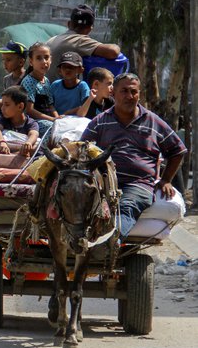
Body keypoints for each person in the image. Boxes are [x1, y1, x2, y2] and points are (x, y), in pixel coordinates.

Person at [80, 73, 186, 238]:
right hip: (104, 181)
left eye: (133, 92)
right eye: (124, 91)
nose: (129, 96)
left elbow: (178, 150)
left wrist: (166, 180)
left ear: (139, 94)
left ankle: (111, 241)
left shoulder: (153, 121)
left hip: (138, 184)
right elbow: (82, 149)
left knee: (126, 208)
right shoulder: (100, 121)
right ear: (113, 94)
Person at [46, 4, 121, 82]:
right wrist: (117, 46)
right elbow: (113, 52)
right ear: (90, 28)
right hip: (59, 92)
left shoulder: (53, 39)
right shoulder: (79, 40)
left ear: (69, 24)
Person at [0, 86, 39, 157]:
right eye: (2, 104)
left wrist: (28, 143)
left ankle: (10, 156)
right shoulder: (3, 119)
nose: (2, 108)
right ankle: (12, 156)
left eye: (7, 105)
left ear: (20, 106)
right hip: (3, 148)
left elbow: (34, 134)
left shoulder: (31, 123)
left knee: (35, 148)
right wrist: (2, 142)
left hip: (20, 149)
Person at [21, 42, 58, 137]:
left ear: (51, 60)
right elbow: (30, 110)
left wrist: (58, 118)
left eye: (46, 57)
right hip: (32, 122)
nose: (44, 61)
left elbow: (50, 105)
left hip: (47, 119)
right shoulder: (29, 82)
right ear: (31, 62)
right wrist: (52, 120)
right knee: (52, 129)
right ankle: (42, 151)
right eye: (38, 58)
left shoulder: (46, 81)